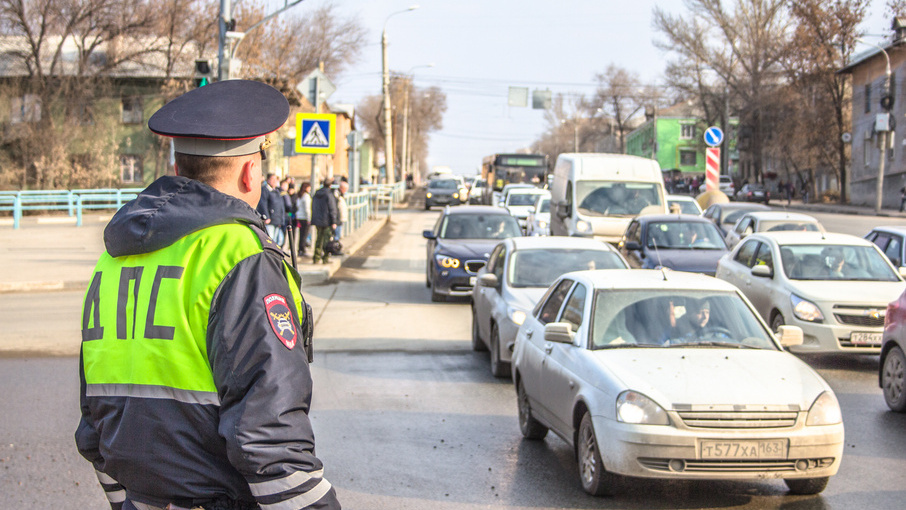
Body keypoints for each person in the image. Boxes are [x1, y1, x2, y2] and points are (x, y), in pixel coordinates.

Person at [75, 80, 340, 510]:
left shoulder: (112, 261)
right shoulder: (241, 256)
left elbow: (95, 416)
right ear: (250, 172)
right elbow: (268, 433)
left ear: (178, 169)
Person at [310, 177, 338, 264]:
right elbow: (332, 208)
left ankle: (316, 257)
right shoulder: (329, 194)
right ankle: (325, 258)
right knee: (326, 240)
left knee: (318, 239)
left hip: (318, 220)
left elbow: (313, 206)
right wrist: (334, 221)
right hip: (327, 221)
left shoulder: (317, 193)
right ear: (330, 185)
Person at [296, 182, 312, 256]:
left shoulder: (300, 195)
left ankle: (300, 249)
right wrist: (309, 218)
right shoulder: (306, 196)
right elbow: (307, 209)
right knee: (304, 235)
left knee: (301, 234)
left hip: (299, 217)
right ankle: (302, 249)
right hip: (305, 218)